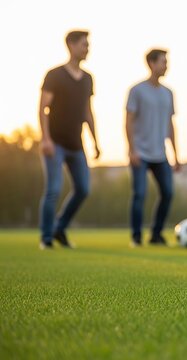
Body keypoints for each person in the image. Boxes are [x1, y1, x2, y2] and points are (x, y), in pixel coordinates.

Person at [38, 30, 100, 250]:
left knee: (83, 189)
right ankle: (46, 238)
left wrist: (95, 141)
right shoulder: (54, 75)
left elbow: (87, 111)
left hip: (76, 144)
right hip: (54, 142)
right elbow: (43, 108)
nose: (87, 49)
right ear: (71, 45)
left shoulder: (87, 79)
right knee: (53, 189)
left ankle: (59, 228)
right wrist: (45, 139)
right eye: (84, 44)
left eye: (88, 45)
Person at [125, 49, 180, 247]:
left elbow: (170, 124)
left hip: (160, 154)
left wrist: (175, 154)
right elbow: (128, 121)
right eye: (163, 62)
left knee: (168, 193)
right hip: (141, 152)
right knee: (139, 194)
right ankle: (136, 236)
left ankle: (156, 234)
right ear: (151, 63)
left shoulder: (168, 93)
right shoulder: (137, 90)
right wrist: (132, 149)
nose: (166, 65)